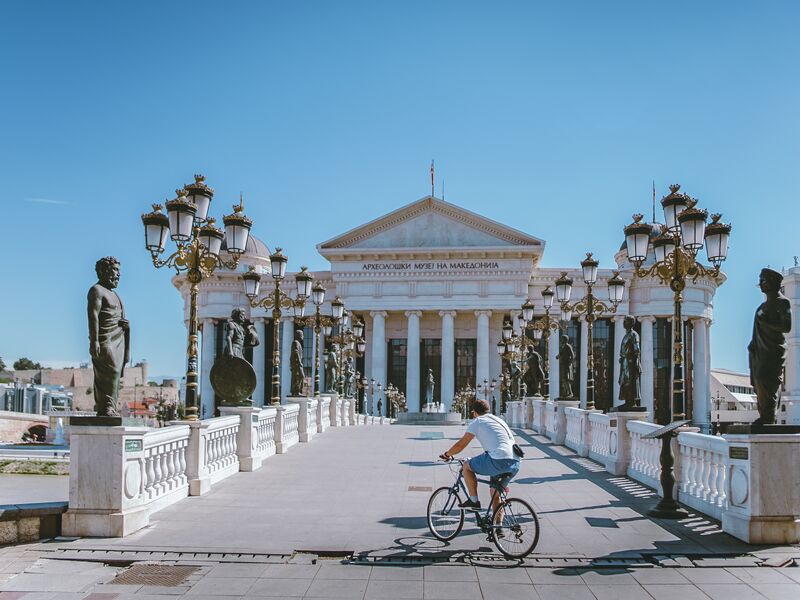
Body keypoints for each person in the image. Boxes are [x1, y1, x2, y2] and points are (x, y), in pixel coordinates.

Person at [440, 399, 520, 512]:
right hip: (515, 462)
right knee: (495, 493)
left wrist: (447, 454)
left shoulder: (478, 421)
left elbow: (460, 445)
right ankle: (498, 527)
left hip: (498, 461)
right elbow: (497, 447)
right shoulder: (499, 420)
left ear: (474, 412)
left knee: (467, 466)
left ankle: (474, 501)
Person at [748, 268, 792, 425]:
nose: (760, 284)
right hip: (759, 351)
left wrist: (765, 322)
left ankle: (769, 419)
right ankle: (764, 416)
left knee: (769, 381)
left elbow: (786, 327)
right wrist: (752, 346)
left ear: (773, 283)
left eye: (763, 280)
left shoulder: (783, 302)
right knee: (759, 380)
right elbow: (756, 332)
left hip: (774, 351)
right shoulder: (761, 307)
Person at [87, 256, 129, 417]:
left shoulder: (115, 295)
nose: (118, 274)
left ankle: (110, 406)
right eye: (115, 270)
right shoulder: (96, 290)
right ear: (104, 271)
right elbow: (93, 316)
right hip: (104, 338)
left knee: (117, 373)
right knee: (109, 371)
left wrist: (126, 325)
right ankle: (104, 408)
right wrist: (95, 340)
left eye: (119, 271)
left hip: (118, 338)